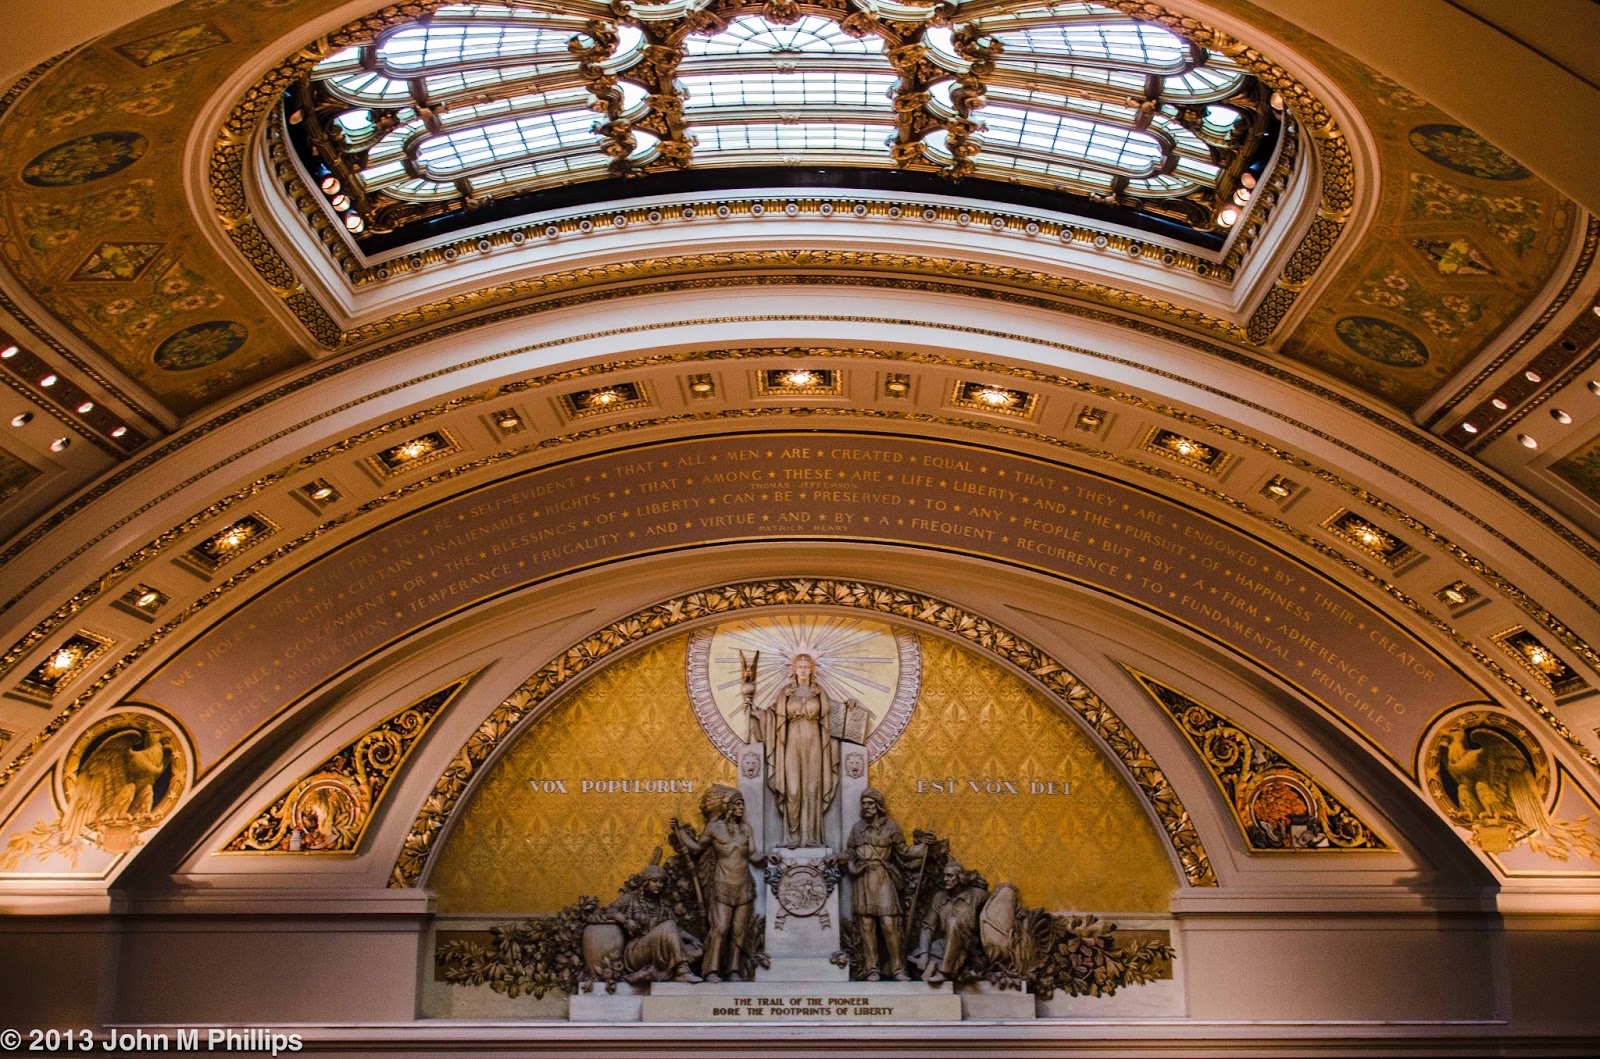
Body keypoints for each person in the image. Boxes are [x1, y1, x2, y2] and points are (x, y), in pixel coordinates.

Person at [673, 785, 765, 982]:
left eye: (742, 804)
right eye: (737, 804)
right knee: (720, 928)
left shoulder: (745, 829)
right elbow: (697, 847)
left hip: (744, 885)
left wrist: (769, 857)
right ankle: (711, 970)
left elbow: (753, 855)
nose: (741, 808)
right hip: (723, 883)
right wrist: (680, 832)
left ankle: (733, 970)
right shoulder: (714, 828)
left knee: (739, 931)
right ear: (727, 807)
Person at [757, 653, 840, 847]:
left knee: (812, 788)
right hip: (792, 741)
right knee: (792, 789)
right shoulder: (786, 692)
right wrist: (757, 713)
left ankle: (812, 838)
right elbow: (772, 717)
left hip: (814, 741)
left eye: (806, 667)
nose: (803, 670)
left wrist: (852, 704)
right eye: (799, 667)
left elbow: (834, 715)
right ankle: (792, 837)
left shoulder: (819, 692)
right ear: (794, 670)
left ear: (812, 670)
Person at [843, 788, 923, 981]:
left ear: (878, 806)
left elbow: (904, 852)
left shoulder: (891, 827)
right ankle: (872, 968)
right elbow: (850, 854)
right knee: (866, 925)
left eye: (870, 803)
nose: (867, 807)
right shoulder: (857, 828)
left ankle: (898, 968)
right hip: (863, 879)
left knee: (889, 924)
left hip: (883, 878)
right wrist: (848, 865)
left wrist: (924, 847)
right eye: (864, 803)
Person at [591, 865, 703, 983]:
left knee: (698, 950)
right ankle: (682, 971)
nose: (658, 885)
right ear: (646, 882)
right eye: (654, 881)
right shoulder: (630, 898)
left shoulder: (664, 905)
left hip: (658, 952)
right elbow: (608, 911)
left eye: (661, 882)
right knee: (669, 925)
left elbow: (676, 930)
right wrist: (625, 921)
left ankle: (661, 972)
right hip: (637, 951)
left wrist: (693, 939)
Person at [911, 859, 989, 984]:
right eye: (944, 875)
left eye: (950, 876)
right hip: (944, 943)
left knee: (953, 922)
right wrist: (924, 954)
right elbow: (928, 926)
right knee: (916, 954)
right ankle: (955, 969)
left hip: (968, 943)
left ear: (960, 877)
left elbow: (996, 907)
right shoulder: (939, 897)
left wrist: (1016, 911)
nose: (945, 879)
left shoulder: (978, 895)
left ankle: (944, 972)